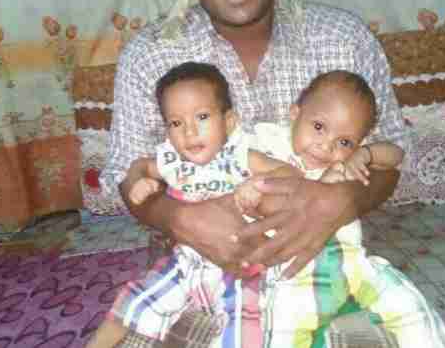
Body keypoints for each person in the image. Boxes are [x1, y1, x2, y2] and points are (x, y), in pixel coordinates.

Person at [98, 0, 423, 348]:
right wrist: (180, 219)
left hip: (326, 263)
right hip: (199, 267)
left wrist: (343, 200)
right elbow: (126, 173)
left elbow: (392, 153)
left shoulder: (344, 39)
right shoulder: (149, 56)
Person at [87, 61, 301, 348]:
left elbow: (291, 174)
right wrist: (139, 182)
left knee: (246, 328)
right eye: (176, 123)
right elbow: (138, 165)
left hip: (239, 266)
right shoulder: (173, 162)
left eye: (201, 116)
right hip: (184, 263)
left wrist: (257, 184)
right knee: (132, 303)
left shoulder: (240, 157)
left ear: (228, 122)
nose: (189, 131)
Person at [238, 70, 445, 347]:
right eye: (318, 127)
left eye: (344, 141)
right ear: (295, 113)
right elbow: (234, 158)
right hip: (293, 272)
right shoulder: (271, 141)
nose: (325, 146)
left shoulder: (348, 163)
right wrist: (249, 185)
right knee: (284, 327)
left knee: (410, 307)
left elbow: (396, 155)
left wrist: (365, 154)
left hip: (353, 266)